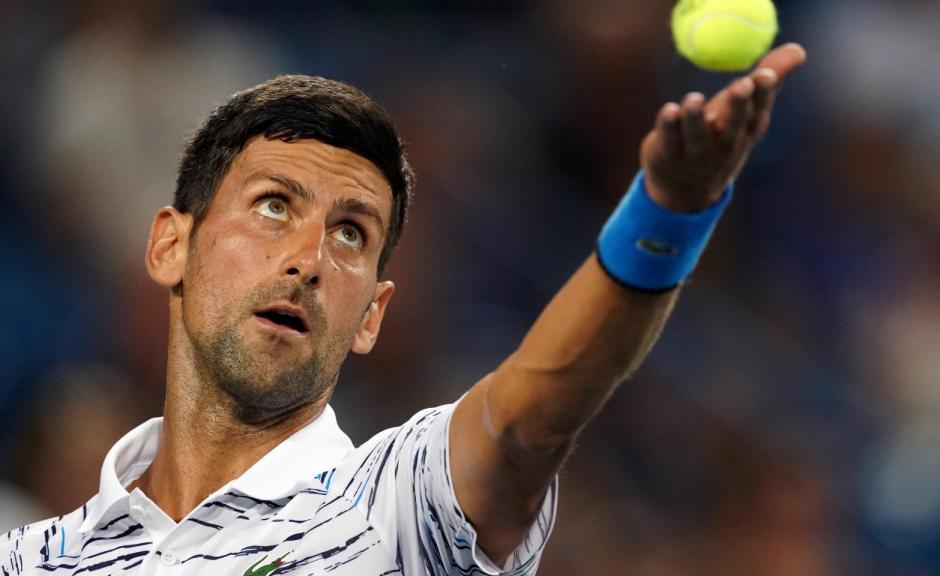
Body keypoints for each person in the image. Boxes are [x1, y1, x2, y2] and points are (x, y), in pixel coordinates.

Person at [1, 44, 806, 575]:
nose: (309, 260)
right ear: (170, 246)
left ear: (372, 316)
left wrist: (666, 213)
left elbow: (528, 420)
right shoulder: (31, 560)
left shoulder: (395, 505)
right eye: (274, 206)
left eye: (351, 233)